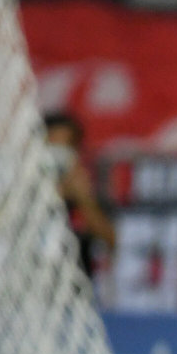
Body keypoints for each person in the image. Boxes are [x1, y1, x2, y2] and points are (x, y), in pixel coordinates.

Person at [43, 111, 115, 287]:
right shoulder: (22, 187)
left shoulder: (89, 187)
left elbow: (110, 239)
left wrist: (82, 198)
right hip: (31, 286)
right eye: (53, 147)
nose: (59, 157)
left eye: (65, 148)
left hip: (75, 288)